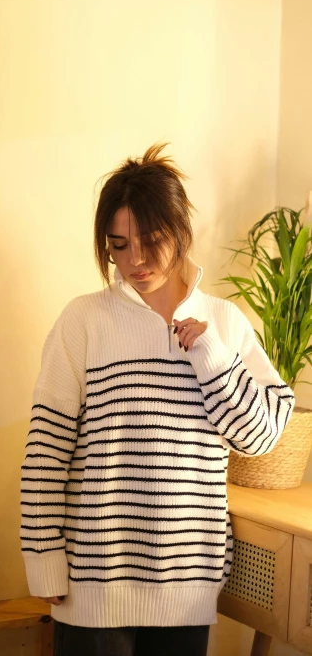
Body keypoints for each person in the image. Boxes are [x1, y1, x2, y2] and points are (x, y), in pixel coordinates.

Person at [19, 143, 295, 656]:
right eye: (118, 245)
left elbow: (259, 438)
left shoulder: (227, 323)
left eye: (151, 241)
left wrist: (210, 356)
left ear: (181, 231)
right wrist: (44, 560)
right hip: (93, 586)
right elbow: (46, 453)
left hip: (186, 589)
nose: (135, 261)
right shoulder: (84, 320)